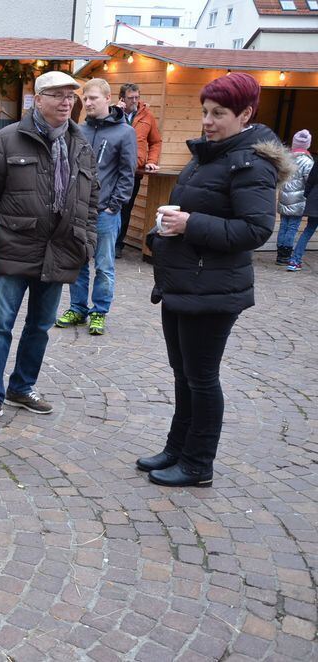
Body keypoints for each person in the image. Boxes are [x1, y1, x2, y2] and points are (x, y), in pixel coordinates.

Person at [138, 72, 291, 487]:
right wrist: (173, 224)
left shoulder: (251, 164)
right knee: (182, 372)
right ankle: (177, 448)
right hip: (184, 283)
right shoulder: (212, 154)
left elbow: (255, 230)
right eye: (205, 111)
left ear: (245, 114)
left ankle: (198, 463)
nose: (207, 120)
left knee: (201, 378)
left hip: (215, 289)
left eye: (218, 113)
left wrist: (190, 223)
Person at [0, 71, 98, 429]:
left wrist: (88, 243)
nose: (66, 101)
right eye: (57, 95)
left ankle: (22, 387)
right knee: (1, 327)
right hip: (14, 248)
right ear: (37, 100)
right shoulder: (7, 140)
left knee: (40, 325)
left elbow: (91, 201)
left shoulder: (81, 145)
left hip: (60, 251)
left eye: (71, 95)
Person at [55, 78, 136, 336]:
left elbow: (127, 174)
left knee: (103, 265)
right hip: (78, 210)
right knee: (77, 262)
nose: (88, 103)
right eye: (86, 99)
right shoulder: (78, 130)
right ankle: (77, 308)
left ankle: (99, 311)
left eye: (93, 98)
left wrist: (114, 206)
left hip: (104, 213)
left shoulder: (125, 132)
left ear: (108, 99)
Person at [115, 83, 162, 258]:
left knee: (125, 209)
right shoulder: (112, 113)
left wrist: (151, 160)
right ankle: (102, 242)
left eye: (137, 97)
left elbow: (156, 141)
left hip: (133, 171)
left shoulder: (147, 116)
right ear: (122, 98)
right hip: (112, 169)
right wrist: (116, 114)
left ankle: (117, 245)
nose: (134, 101)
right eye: (130, 98)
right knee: (107, 206)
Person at [275, 129, 313, 267]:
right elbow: (309, 180)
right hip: (298, 198)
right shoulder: (307, 162)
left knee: (283, 225)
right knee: (292, 227)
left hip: (284, 196)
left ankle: (280, 254)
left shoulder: (287, 157)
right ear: (307, 145)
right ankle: (286, 255)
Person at [288, 147, 318, 272]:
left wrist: (308, 195)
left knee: (308, 231)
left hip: (316, 199)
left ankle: (294, 261)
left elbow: (311, 180)